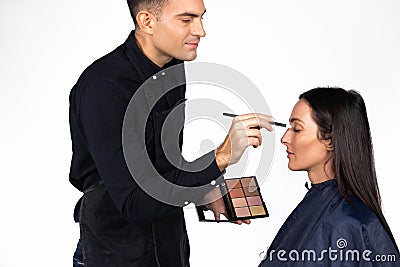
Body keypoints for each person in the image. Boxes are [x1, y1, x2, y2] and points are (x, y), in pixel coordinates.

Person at [69, 0, 274, 266]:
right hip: (115, 254)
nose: (201, 31)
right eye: (186, 20)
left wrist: (202, 189)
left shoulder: (173, 66)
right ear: (147, 21)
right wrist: (221, 157)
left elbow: (159, 170)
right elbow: (133, 202)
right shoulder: (104, 88)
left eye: (201, 18)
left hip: (169, 247)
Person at [259, 87, 400, 266]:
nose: (284, 138)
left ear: (330, 141)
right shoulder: (319, 204)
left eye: (297, 129)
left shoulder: (345, 224)